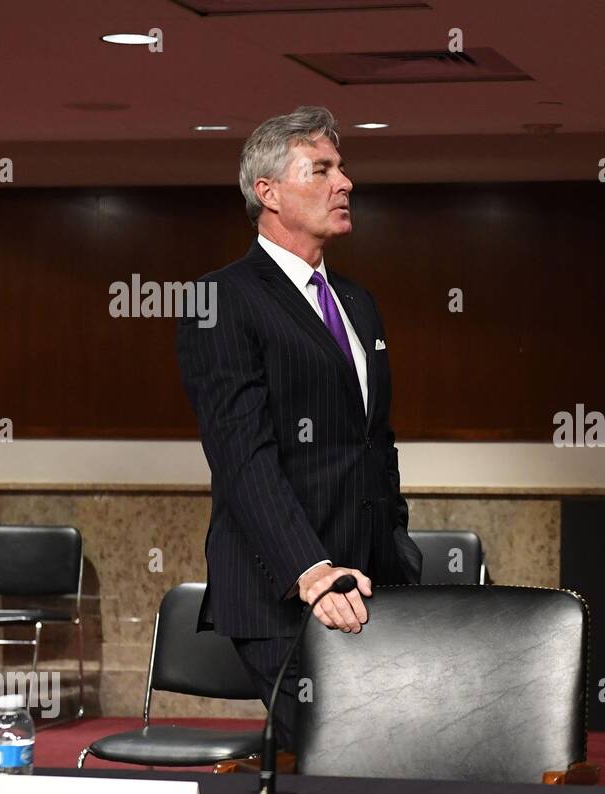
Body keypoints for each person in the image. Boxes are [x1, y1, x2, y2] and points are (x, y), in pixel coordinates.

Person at [177, 106, 422, 750]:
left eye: (342, 168)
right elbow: (241, 455)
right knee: (339, 759)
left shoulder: (358, 301)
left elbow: (376, 440)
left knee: (394, 759)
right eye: (323, 169)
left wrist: (396, 539)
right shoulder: (221, 301)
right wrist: (311, 572)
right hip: (284, 591)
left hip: (376, 583)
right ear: (269, 193)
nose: (345, 183)